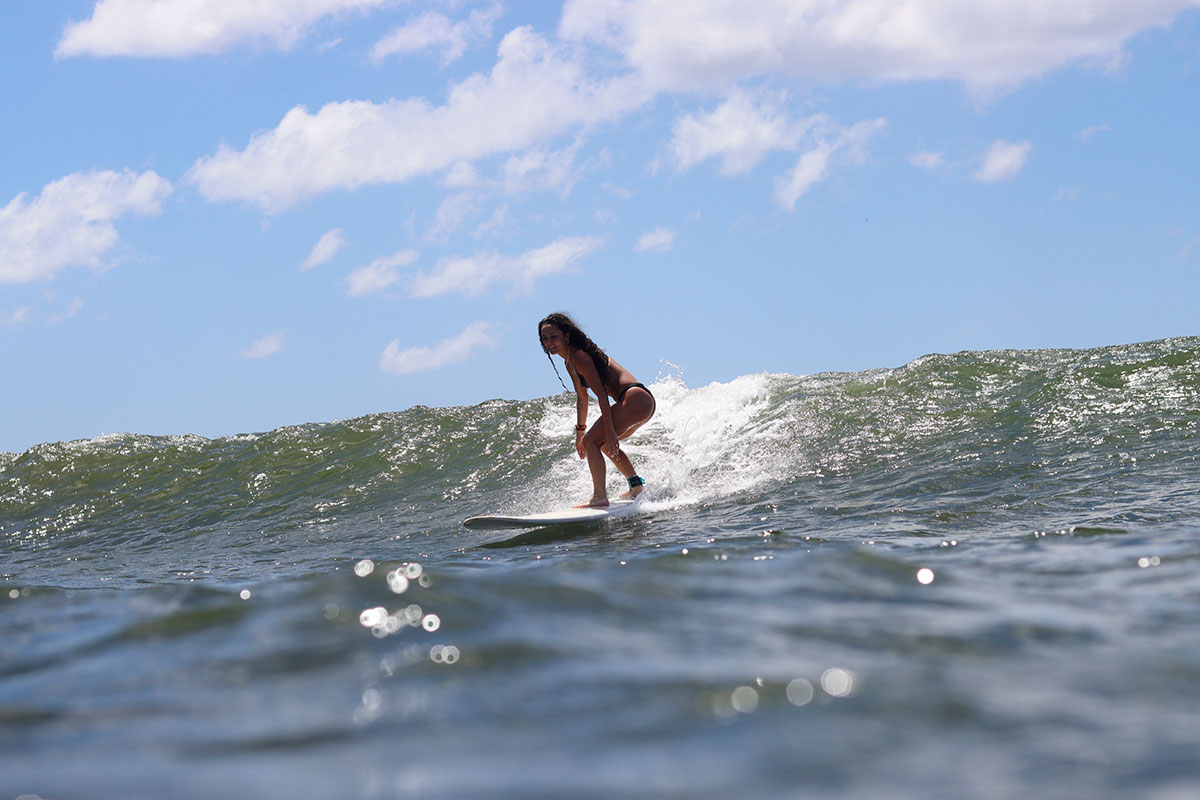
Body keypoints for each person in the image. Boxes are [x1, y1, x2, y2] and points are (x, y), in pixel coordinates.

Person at [538, 313, 656, 508]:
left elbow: (600, 394)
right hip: (640, 401)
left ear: (566, 336)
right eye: (545, 338)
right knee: (598, 443)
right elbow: (582, 398)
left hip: (634, 399)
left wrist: (609, 431)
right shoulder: (570, 362)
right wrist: (580, 432)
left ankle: (599, 496)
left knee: (594, 441)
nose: (549, 342)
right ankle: (635, 486)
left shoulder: (579, 356)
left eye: (554, 336)